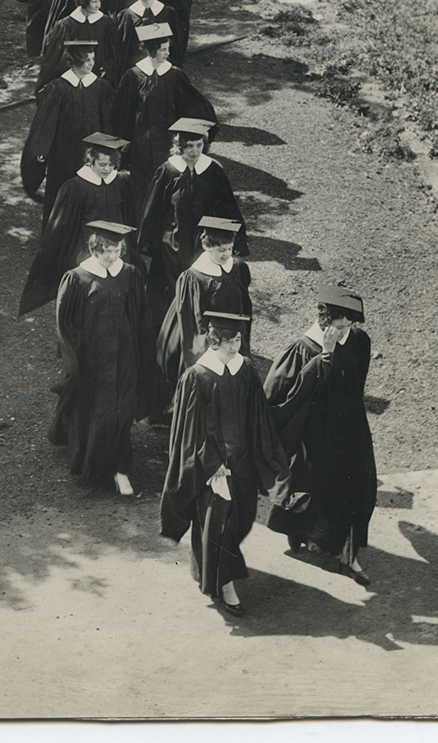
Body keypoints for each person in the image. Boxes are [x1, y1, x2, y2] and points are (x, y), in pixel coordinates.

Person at [160, 313, 289, 615]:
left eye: (239, 340)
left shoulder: (246, 372)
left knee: (241, 521)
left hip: (242, 463)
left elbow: (257, 418)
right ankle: (226, 586)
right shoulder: (196, 377)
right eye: (229, 341)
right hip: (212, 469)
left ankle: (205, 571)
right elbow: (187, 431)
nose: (235, 347)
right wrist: (210, 463)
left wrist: (260, 456)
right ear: (214, 341)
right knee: (218, 526)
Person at [264, 283, 377, 587]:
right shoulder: (302, 350)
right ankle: (298, 532)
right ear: (325, 323)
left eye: (349, 324)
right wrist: (326, 356)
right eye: (340, 326)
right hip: (314, 437)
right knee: (315, 490)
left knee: (359, 489)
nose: (346, 330)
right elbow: (280, 398)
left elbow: (356, 384)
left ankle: (348, 556)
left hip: (351, 430)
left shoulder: (358, 341)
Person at [49, 222, 152, 495]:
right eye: (105, 250)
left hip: (125, 355)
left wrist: (145, 354)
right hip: (91, 358)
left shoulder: (129, 274)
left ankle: (121, 469)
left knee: (123, 411)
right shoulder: (77, 278)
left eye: (116, 249)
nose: (111, 256)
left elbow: (140, 317)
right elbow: (65, 324)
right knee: (99, 413)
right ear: (94, 249)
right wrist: (72, 363)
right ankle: (95, 465)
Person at [19, 134, 141, 315]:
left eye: (111, 165)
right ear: (90, 162)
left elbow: (128, 215)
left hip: (116, 243)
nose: (107, 169)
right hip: (86, 245)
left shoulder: (121, 182)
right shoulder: (75, 187)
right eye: (102, 165)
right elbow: (60, 226)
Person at [139, 119, 247, 311]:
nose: (195, 151)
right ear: (179, 146)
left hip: (203, 240)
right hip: (172, 241)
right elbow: (153, 208)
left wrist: (236, 237)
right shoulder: (168, 170)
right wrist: (149, 241)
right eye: (189, 146)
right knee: (171, 286)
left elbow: (227, 206)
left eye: (199, 145)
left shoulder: (213, 170)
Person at [111, 25, 216, 206]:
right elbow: (122, 113)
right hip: (141, 142)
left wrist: (204, 128)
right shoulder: (133, 76)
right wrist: (122, 145)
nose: (168, 53)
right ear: (152, 51)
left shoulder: (174, 74)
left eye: (168, 48)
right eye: (163, 49)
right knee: (142, 186)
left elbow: (193, 103)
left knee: (168, 182)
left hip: (167, 140)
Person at [157, 217, 252, 405]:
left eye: (229, 249)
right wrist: (205, 348)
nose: (226, 255)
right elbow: (194, 320)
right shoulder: (194, 277)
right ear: (207, 246)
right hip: (206, 336)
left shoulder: (238, 267)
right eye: (221, 250)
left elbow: (245, 304)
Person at [21, 43, 115, 223]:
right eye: (87, 59)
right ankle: (56, 239)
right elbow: (46, 122)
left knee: (89, 192)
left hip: (89, 151)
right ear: (75, 60)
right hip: (62, 152)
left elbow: (105, 120)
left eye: (93, 59)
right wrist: (42, 150)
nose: (91, 63)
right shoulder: (58, 87)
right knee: (60, 193)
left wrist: (107, 147)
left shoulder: (99, 86)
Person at [36, 0, 119, 94]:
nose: (98, 5)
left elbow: (113, 53)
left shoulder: (107, 23)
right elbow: (56, 59)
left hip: (101, 78)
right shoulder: (65, 25)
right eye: (94, 1)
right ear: (83, 1)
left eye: (99, 1)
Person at [116, 0, 187, 67]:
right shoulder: (128, 15)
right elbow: (124, 48)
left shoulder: (168, 13)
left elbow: (175, 45)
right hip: (136, 65)